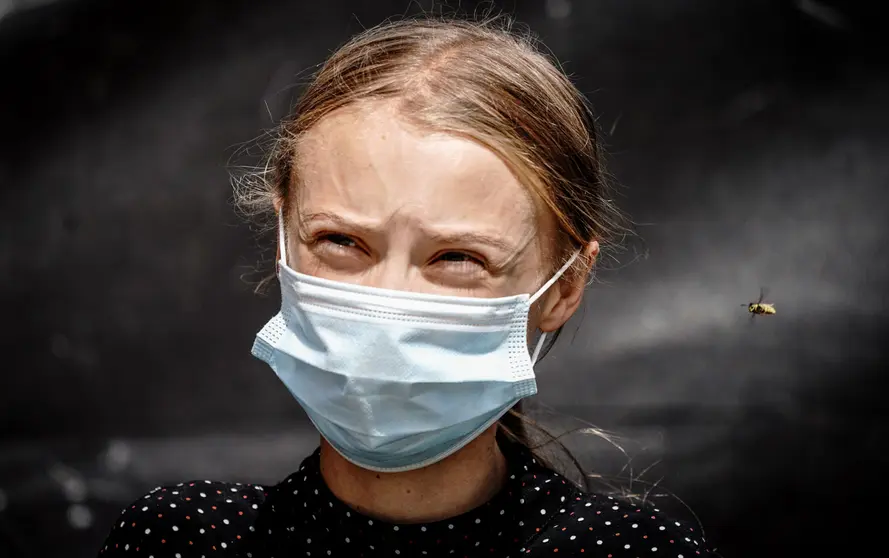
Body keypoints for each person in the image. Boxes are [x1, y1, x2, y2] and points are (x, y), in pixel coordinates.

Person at [98, 15, 719, 558]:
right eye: (341, 243)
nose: (388, 303)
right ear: (283, 239)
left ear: (565, 287)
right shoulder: (184, 541)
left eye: (456, 258)